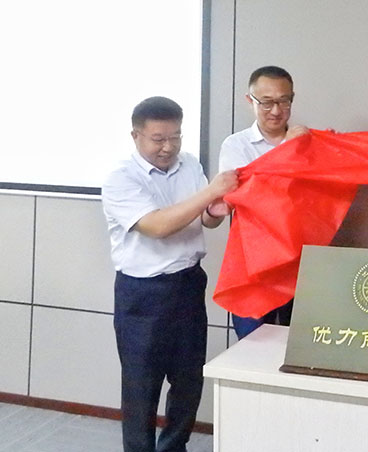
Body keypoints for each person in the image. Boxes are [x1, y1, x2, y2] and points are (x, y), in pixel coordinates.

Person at [102, 96, 238, 452]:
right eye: (158, 139)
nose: (168, 147)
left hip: (188, 283)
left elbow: (205, 218)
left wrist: (217, 209)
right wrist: (211, 192)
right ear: (136, 136)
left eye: (175, 137)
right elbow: (158, 226)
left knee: (189, 380)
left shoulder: (189, 163)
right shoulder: (120, 179)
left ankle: (174, 447)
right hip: (142, 294)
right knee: (141, 386)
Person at [219, 65, 309, 337]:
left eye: (284, 101)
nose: (276, 110)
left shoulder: (308, 143)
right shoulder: (236, 145)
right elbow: (252, 196)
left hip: (300, 262)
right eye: (267, 102)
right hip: (254, 265)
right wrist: (288, 148)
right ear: (250, 101)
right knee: (253, 346)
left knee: (298, 343)